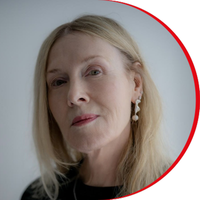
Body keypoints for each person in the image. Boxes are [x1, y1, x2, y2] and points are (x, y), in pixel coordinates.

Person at [21, 15, 172, 200]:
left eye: (94, 71)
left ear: (135, 84)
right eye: (59, 82)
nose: (74, 96)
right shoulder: (38, 196)